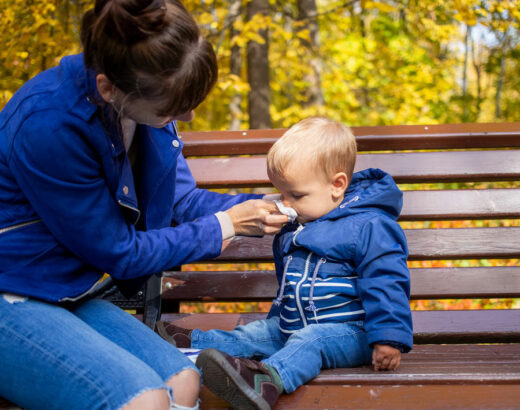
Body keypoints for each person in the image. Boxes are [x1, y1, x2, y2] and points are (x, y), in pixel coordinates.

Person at [0, 1, 288, 409]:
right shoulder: (47, 125)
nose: (185, 116)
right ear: (108, 89)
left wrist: (256, 207)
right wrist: (227, 225)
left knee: (184, 380)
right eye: (172, 109)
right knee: (144, 399)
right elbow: (120, 252)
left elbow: (182, 200)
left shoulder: (144, 86)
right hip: (12, 290)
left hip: (65, 290)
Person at [156, 117, 413, 410]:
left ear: (337, 185)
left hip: (353, 332)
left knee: (310, 341)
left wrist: (388, 338)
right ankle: (189, 342)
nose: (286, 204)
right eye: (282, 193)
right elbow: (291, 284)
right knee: (256, 333)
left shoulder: (370, 225)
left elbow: (387, 281)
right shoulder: (302, 221)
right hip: (293, 326)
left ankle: (266, 381)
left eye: (296, 195)